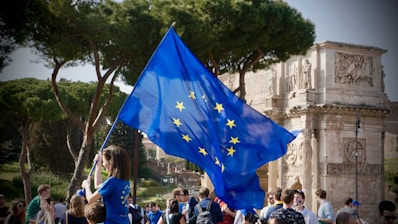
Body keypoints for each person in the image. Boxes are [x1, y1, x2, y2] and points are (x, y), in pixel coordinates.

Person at [82, 145, 132, 224]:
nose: (103, 164)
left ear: (111, 162)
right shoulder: (125, 182)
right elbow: (98, 186)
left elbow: (91, 199)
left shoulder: (112, 182)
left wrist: (86, 186)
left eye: (103, 162)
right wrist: (97, 165)